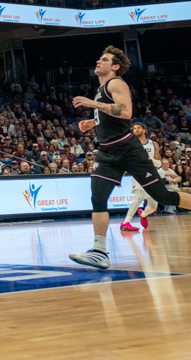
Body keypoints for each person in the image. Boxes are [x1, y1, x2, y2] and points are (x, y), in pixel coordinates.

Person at [69, 47, 191, 269]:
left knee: (163, 196)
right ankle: (99, 252)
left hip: (128, 150)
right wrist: (93, 122)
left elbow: (125, 112)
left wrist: (93, 104)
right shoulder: (101, 88)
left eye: (104, 59)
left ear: (115, 66)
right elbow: (111, 115)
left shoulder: (116, 83)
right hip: (107, 153)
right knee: (98, 198)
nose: (98, 61)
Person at [121, 122, 162, 232]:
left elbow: (159, 163)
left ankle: (143, 215)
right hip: (138, 174)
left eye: (139, 128)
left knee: (153, 206)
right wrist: (119, 177)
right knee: (139, 197)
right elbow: (126, 163)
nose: (136, 129)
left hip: (151, 175)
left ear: (144, 130)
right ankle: (126, 223)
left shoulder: (153, 144)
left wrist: (150, 160)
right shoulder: (131, 145)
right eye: (134, 128)